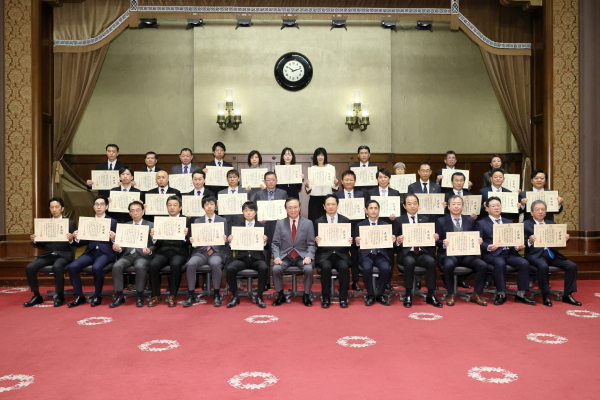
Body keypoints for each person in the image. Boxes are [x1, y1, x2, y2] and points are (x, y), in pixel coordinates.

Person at [477, 196, 535, 305]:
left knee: (524, 263)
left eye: (498, 205)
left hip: (509, 252)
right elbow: (479, 242)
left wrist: (517, 247)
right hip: (493, 254)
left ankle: (521, 294)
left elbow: (513, 240)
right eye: (493, 206)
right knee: (500, 263)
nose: (496, 208)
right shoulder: (481, 223)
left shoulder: (508, 221)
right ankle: (501, 293)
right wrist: (488, 247)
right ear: (487, 209)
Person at [524, 200, 581, 306]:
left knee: (572, 266)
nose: (540, 212)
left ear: (545, 212)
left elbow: (558, 239)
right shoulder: (525, 225)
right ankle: (545, 295)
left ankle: (567, 295)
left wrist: (564, 238)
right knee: (543, 266)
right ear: (531, 212)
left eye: (543, 210)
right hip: (535, 255)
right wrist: (529, 241)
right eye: (537, 210)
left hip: (551, 254)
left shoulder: (552, 224)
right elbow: (520, 242)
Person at [435, 195, 488, 306]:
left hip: (466, 254)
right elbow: (437, 240)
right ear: (448, 206)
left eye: (459, 204)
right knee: (449, 265)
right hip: (449, 253)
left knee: (482, 265)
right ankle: (451, 293)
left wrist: (478, 240)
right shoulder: (441, 221)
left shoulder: (469, 220)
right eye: (453, 204)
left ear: (463, 206)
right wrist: (442, 243)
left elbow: (475, 236)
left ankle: (476, 294)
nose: (456, 206)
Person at [24, 197, 76, 307]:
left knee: (57, 267)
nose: (54, 209)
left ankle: (60, 295)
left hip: (64, 254)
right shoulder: (45, 223)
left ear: (62, 209)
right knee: (30, 267)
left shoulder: (70, 223)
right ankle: (36, 295)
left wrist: (71, 239)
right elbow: (42, 244)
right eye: (52, 207)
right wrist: (36, 240)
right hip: (49, 254)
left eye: (57, 207)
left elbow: (76, 243)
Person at [67, 196, 118, 307]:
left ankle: (97, 295)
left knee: (96, 267)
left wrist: (114, 238)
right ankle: (79, 296)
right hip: (90, 252)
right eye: (96, 204)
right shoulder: (87, 222)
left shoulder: (113, 222)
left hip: (106, 253)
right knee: (73, 267)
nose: (99, 207)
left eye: (101, 204)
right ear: (93, 207)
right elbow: (82, 242)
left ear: (106, 206)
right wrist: (75, 238)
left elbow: (119, 243)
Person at [395, 194, 442, 308]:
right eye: (409, 204)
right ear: (404, 206)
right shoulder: (399, 220)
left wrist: (435, 238)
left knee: (431, 261)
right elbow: (394, 242)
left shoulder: (425, 219)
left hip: (421, 252)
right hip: (407, 253)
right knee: (409, 262)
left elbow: (430, 239)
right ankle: (408, 294)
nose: (412, 206)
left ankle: (431, 295)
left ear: (418, 205)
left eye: (414, 203)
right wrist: (398, 241)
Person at [183, 196, 230, 307]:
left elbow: (227, 242)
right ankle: (191, 295)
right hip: (200, 251)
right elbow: (193, 240)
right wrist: (191, 239)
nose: (209, 206)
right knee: (190, 264)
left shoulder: (222, 220)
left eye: (211, 204)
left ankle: (217, 294)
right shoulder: (197, 221)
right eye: (206, 204)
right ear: (203, 207)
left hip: (216, 251)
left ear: (216, 205)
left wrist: (225, 239)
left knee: (215, 263)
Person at [109, 200, 154, 308]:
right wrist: (117, 246)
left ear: (143, 211)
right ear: (129, 213)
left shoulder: (150, 225)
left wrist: (150, 250)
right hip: (127, 255)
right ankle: (119, 296)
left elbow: (155, 244)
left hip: (142, 255)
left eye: (138, 210)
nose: (135, 213)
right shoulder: (125, 226)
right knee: (117, 266)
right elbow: (121, 246)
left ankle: (139, 295)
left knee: (140, 266)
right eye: (132, 211)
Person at [147, 195, 191, 308]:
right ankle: (156, 295)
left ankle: (172, 295)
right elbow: (157, 243)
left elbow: (191, 241)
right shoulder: (161, 220)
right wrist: (154, 238)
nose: (172, 207)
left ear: (180, 207)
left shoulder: (187, 220)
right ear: (167, 207)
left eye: (175, 205)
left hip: (179, 251)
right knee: (153, 265)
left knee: (175, 264)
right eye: (169, 205)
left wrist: (186, 236)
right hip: (163, 250)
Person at [271, 198, 316, 307]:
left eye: (295, 207)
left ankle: (306, 294)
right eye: (290, 208)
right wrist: (277, 257)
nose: (293, 210)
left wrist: (309, 256)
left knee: (309, 269)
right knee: (276, 268)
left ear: (299, 208)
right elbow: (275, 243)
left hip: (302, 256)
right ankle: (280, 295)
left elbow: (311, 243)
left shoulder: (308, 223)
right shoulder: (280, 223)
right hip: (285, 256)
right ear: (286, 209)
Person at [224, 201, 269, 308]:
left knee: (264, 267)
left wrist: (265, 241)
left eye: (251, 210)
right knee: (229, 268)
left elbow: (267, 247)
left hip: (257, 258)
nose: (248, 213)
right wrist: (230, 241)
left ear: (255, 212)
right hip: (242, 258)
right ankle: (235, 296)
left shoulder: (262, 226)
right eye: (246, 210)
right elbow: (232, 246)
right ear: (243, 213)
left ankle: (259, 296)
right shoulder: (237, 227)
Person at [355, 200, 396, 306]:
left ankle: (380, 294)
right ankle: (370, 294)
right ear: (366, 210)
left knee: (386, 268)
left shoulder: (386, 225)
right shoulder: (360, 225)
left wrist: (392, 240)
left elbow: (391, 245)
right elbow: (355, 246)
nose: (373, 211)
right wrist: (357, 242)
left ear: (379, 210)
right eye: (371, 208)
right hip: (366, 255)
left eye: (375, 208)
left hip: (381, 254)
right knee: (367, 268)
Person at [314, 195, 352, 308]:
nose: (331, 207)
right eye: (328, 204)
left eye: (333, 204)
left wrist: (350, 240)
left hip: (341, 254)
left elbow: (350, 240)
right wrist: (316, 240)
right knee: (325, 268)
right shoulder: (318, 222)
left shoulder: (345, 220)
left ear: (337, 205)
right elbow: (313, 240)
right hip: (325, 255)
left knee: (344, 268)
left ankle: (343, 297)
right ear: (324, 206)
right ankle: (325, 297)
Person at [335, 170, 365, 292]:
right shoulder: (337, 195)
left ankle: (356, 281)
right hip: (341, 229)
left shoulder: (362, 194)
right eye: (346, 179)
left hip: (357, 228)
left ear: (355, 181)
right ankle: (342, 280)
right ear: (342, 181)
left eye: (351, 179)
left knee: (356, 256)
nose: (348, 182)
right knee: (341, 255)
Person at [252, 171, 288, 268]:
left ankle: (279, 278)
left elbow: (287, 209)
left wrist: (283, 217)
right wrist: (258, 219)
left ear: (276, 181)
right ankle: (265, 281)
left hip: (279, 226)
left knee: (279, 251)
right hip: (264, 227)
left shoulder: (283, 193)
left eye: (273, 180)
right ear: (264, 181)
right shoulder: (258, 194)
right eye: (268, 180)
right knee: (265, 254)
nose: (271, 182)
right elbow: (253, 210)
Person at [305, 147, 339, 221]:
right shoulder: (312, 169)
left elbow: (334, 186)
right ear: (315, 157)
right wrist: (307, 185)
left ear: (325, 157)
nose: (320, 157)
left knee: (327, 219)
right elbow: (309, 188)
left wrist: (336, 184)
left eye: (322, 155)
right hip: (315, 197)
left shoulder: (331, 168)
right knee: (314, 219)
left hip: (327, 197)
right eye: (318, 155)